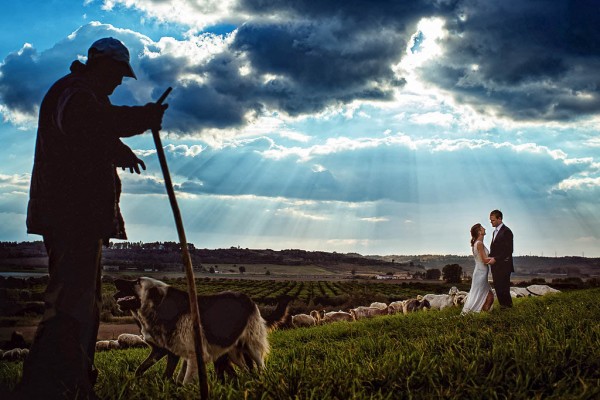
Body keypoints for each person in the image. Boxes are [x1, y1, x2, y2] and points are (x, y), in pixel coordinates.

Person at [18, 37, 168, 399]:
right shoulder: (76, 93)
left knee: (79, 303)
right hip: (73, 217)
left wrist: (119, 150)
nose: (119, 83)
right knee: (72, 304)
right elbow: (85, 123)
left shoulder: (79, 94)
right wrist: (141, 117)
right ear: (103, 65)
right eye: (118, 74)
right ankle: (59, 385)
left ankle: (67, 382)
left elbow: (89, 137)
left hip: (76, 217)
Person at [461, 223, 494, 314]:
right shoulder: (479, 244)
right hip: (481, 273)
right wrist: (496, 259)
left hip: (480, 272)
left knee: (485, 296)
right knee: (487, 296)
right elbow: (484, 260)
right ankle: (478, 314)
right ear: (479, 231)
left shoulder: (477, 243)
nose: (484, 228)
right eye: (482, 228)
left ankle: (480, 314)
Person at [488, 209, 514, 309]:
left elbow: (509, 250)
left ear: (500, 219)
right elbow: (495, 249)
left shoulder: (506, 231)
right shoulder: (495, 232)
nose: (491, 222)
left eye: (493, 220)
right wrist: (489, 257)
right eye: (490, 220)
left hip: (504, 265)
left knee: (504, 289)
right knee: (498, 288)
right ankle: (504, 308)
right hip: (496, 266)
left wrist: (496, 259)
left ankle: (508, 309)